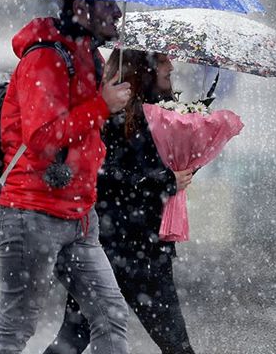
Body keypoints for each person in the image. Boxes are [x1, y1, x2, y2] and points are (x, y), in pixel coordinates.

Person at [0, 0, 132, 354]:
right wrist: (102, 106)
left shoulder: (89, 57)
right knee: (15, 329)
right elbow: (42, 137)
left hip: (79, 216)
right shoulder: (46, 57)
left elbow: (86, 131)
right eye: (107, 4)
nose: (117, 12)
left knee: (111, 318)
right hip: (31, 212)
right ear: (81, 6)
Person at [45, 49, 196, 354]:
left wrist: (187, 163)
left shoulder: (163, 116)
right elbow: (103, 178)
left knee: (72, 341)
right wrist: (164, 181)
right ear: (144, 68)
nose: (171, 66)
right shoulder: (110, 117)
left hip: (137, 247)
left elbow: (156, 173)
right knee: (175, 347)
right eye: (163, 60)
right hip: (118, 249)